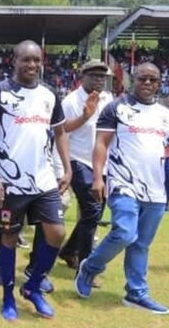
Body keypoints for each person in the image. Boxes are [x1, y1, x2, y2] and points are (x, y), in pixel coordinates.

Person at [0, 40, 71, 321]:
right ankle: (8, 297)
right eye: (26, 60)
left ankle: (32, 287)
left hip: (43, 180)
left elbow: (60, 133)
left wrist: (66, 168)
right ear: (15, 61)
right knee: (8, 238)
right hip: (10, 183)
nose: (32, 65)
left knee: (56, 233)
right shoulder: (0, 92)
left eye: (36, 60)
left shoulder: (49, 94)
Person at [75, 63, 169, 314]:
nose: (147, 83)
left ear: (159, 82)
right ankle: (90, 267)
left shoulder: (166, 114)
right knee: (126, 233)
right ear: (132, 81)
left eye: (153, 79)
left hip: (156, 189)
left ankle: (136, 294)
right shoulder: (116, 108)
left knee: (141, 245)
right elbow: (101, 145)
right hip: (123, 184)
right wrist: (98, 178)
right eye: (142, 79)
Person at [58, 60, 114, 270]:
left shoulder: (108, 98)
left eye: (102, 76)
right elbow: (62, 130)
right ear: (83, 77)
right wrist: (84, 116)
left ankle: (68, 250)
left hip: (102, 163)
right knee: (91, 209)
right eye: (94, 75)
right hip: (78, 159)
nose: (99, 80)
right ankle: (86, 266)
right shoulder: (72, 101)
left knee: (96, 212)